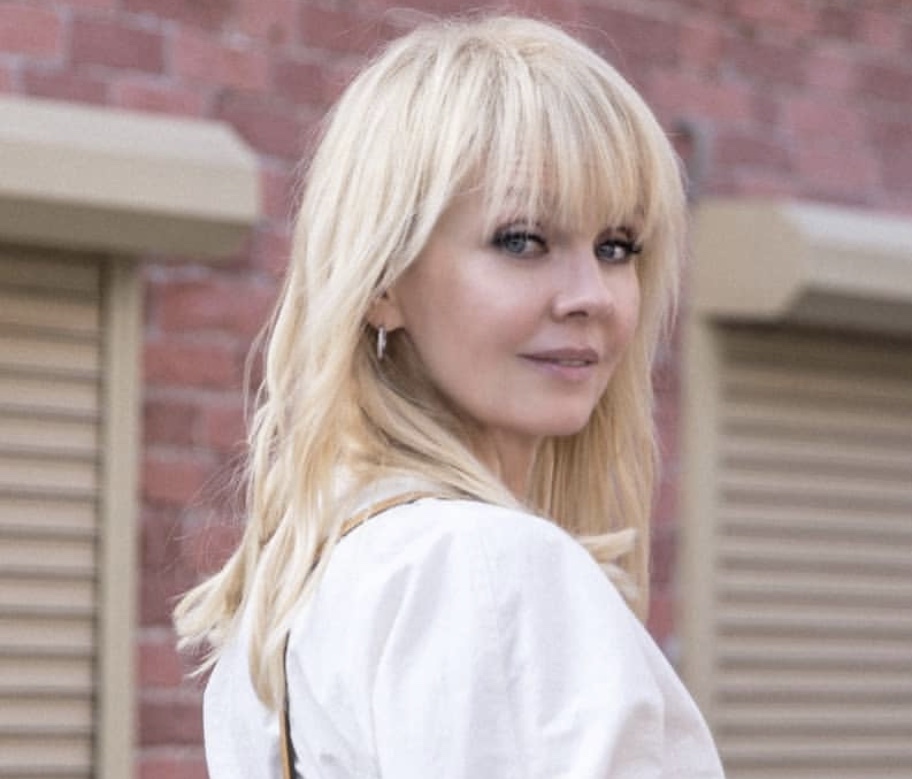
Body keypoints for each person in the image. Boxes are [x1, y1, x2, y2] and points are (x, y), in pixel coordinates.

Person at [174, 14, 724, 778]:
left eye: (616, 245)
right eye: (522, 240)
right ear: (382, 282)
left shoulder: (299, 584)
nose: (591, 295)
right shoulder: (485, 566)